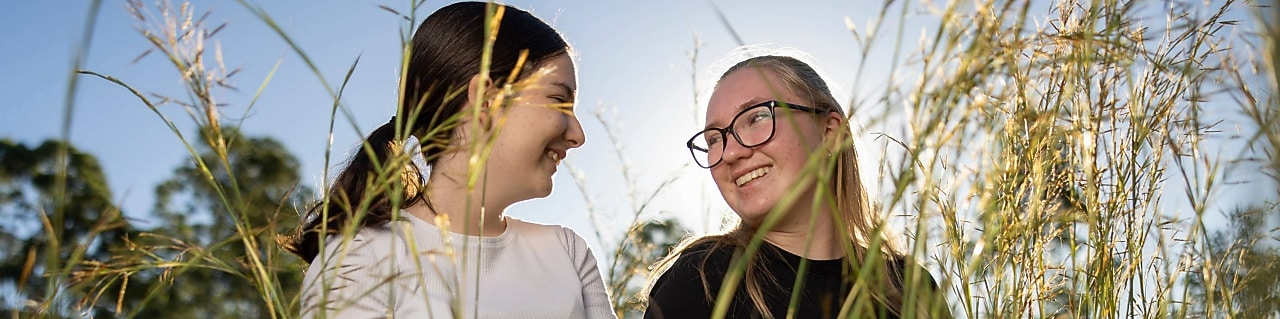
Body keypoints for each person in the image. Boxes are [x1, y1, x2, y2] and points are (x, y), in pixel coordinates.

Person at [284, 2, 615, 318]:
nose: (577, 134)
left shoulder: (567, 252)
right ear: (486, 98)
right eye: (558, 101)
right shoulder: (359, 257)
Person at [644, 54, 949, 319]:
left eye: (757, 117)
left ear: (830, 132)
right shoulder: (703, 277)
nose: (731, 152)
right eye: (714, 139)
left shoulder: (909, 288)